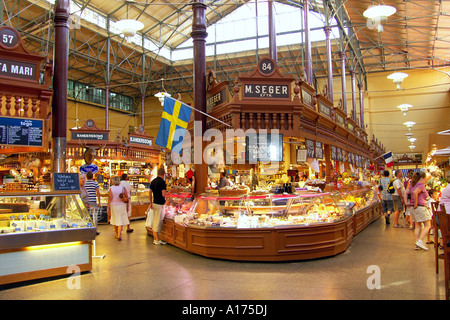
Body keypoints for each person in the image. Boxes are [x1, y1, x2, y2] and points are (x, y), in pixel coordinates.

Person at [411, 171, 432, 250]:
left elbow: (407, 192)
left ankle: (417, 243)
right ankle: (420, 241)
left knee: (418, 226)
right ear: (422, 178)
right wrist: (416, 204)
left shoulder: (415, 184)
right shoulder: (421, 185)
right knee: (427, 225)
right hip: (420, 207)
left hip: (415, 208)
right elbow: (415, 193)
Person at [107, 176, 129, 241]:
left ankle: (116, 233)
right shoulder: (122, 188)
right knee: (120, 220)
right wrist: (127, 206)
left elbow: (110, 199)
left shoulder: (111, 189)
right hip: (121, 205)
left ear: (113, 182)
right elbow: (127, 197)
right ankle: (119, 235)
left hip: (114, 206)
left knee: (114, 219)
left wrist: (108, 207)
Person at [149, 167, 167, 245]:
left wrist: (150, 203)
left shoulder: (153, 181)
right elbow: (163, 194)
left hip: (154, 203)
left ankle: (157, 238)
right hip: (160, 204)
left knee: (155, 220)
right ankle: (156, 239)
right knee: (157, 221)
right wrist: (168, 196)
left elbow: (150, 193)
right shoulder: (162, 182)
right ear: (163, 174)